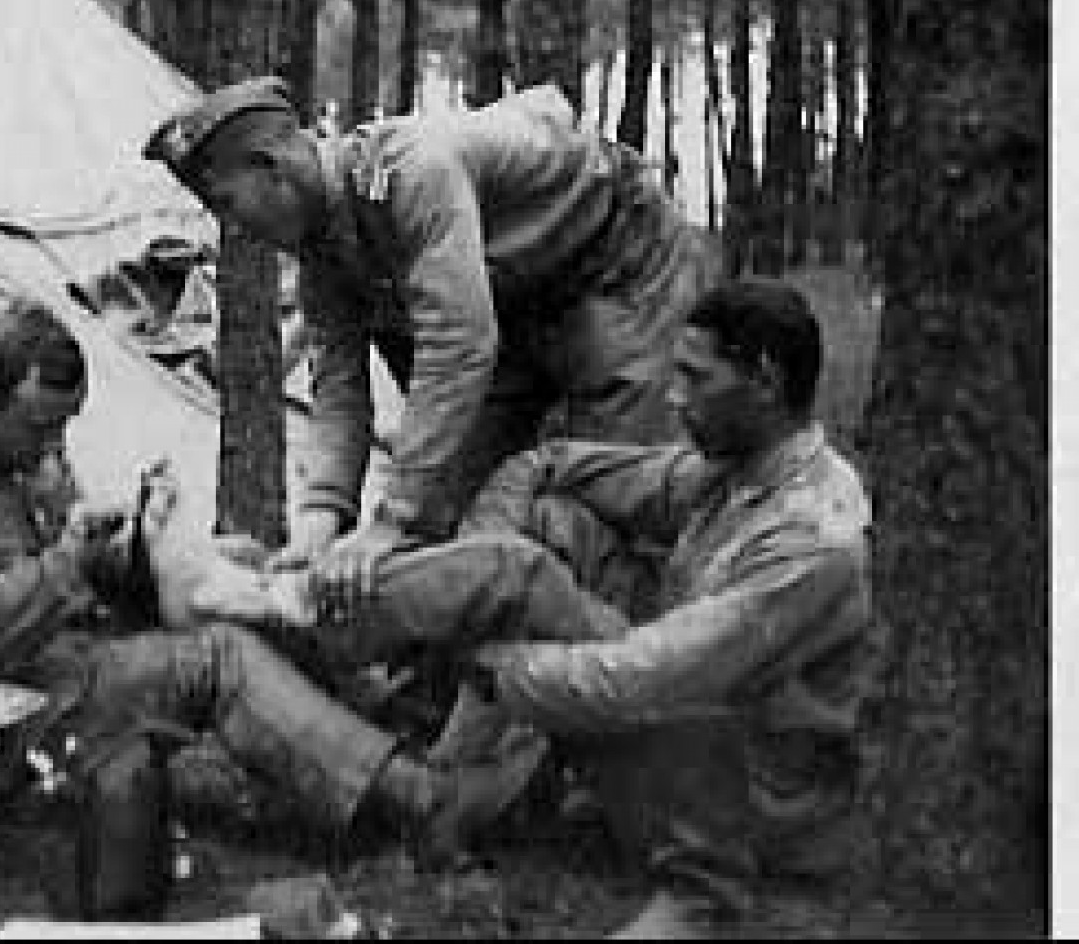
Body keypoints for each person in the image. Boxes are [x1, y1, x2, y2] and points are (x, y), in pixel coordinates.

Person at [268, 279, 876, 939]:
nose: (673, 398)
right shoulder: (738, 468)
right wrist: (476, 566)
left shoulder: (814, 536)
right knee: (544, 530)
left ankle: (283, 617)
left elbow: (646, 677)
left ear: (763, 379)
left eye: (695, 378)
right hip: (686, 718)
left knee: (517, 572)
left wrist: (500, 668)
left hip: (747, 797)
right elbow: (545, 465)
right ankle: (444, 780)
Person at [0, 298, 464, 866]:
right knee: (216, 658)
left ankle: (379, 753)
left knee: (246, 586)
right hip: (6, 711)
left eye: (62, 428)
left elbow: (91, 567)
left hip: (83, 664)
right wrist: (68, 561)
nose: (53, 447)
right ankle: (417, 798)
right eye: (39, 428)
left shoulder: (26, 460)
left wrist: (142, 538)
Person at [142, 74, 707, 611]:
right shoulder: (323, 253)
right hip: (519, 309)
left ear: (275, 168)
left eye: (226, 203)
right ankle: (473, 680)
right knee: (456, 514)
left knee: (610, 497)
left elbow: (459, 344)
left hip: (618, 270)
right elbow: (338, 391)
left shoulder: (413, 173)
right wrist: (322, 519)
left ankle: (635, 669)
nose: (232, 227)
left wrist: (393, 516)